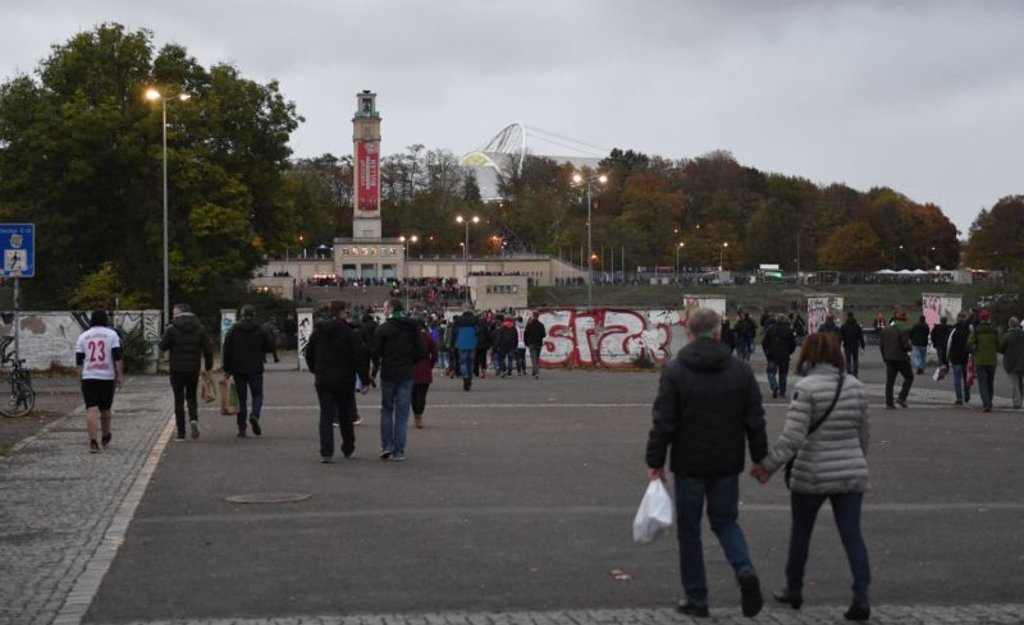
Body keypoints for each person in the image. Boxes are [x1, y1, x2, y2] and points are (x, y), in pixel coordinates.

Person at [645, 307, 767, 619]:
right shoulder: (739, 371)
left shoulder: (675, 370)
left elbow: (663, 421)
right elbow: (755, 419)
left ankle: (697, 597)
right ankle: (744, 570)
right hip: (727, 461)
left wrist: (655, 461)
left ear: (688, 333)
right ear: (718, 333)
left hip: (689, 463)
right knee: (726, 522)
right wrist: (760, 458)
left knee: (689, 530)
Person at [749, 333, 872, 622]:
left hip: (812, 471)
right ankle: (861, 596)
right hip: (850, 472)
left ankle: (794, 587)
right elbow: (864, 435)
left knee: (801, 533)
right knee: (852, 535)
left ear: (807, 355)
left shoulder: (806, 388)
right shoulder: (855, 386)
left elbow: (793, 438)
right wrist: (855, 460)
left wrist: (767, 466)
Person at [305, 300, 370, 463]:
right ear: (343, 312)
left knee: (326, 415)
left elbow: (309, 353)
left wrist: (315, 369)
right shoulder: (351, 333)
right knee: (345, 414)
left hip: (324, 378)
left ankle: (326, 451)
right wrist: (364, 380)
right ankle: (348, 446)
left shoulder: (319, 331)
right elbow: (359, 358)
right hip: (344, 378)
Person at [371, 298, 426, 461]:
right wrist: (410, 362)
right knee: (402, 414)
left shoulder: (383, 328)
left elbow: (375, 352)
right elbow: (422, 351)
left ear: (390, 309)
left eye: (385, 308)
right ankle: (399, 451)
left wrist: (375, 370)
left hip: (388, 373)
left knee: (387, 410)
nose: (384, 311)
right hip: (406, 374)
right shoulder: (413, 327)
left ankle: (386, 446)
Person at [158, 303, 213, 441]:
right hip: (193, 368)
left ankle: (181, 432)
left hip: (176, 369)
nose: (173, 315)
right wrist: (208, 366)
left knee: (178, 399)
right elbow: (208, 350)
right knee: (191, 396)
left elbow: (162, 346)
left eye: (174, 313)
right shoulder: (200, 328)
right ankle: (193, 419)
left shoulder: (171, 328)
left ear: (179, 313)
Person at [74, 310, 124, 453]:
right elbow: (117, 357)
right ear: (105, 320)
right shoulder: (112, 335)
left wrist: (80, 378)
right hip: (107, 377)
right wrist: (120, 376)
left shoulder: (83, 336)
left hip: (89, 376)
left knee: (91, 408)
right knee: (105, 409)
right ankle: (105, 435)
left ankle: (93, 441)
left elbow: (79, 361)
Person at [222, 305, 274, 438]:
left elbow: (227, 350)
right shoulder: (260, 329)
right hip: (255, 367)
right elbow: (270, 346)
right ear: (254, 314)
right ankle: (255, 414)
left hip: (238, 368)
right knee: (258, 395)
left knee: (241, 398)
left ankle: (242, 427)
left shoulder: (234, 330)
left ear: (241, 315)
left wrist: (227, 369)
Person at [879, 310, 913, 409]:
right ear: (901, 320)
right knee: (909, 377)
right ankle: (902, 397)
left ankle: (889, 403)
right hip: (901, 359)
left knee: (890, 381)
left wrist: (884, 357)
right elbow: (905, 346)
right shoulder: (902, 330)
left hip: (889, 358)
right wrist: (910, 347)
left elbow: (881, 346)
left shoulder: (885, 330)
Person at [967, 309, 1000, 412]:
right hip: (992, 359)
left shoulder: (976, 330)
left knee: (982, 382)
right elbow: (998, 345)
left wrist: (973, 350)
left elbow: (969, 343)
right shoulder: (994, 330)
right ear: (989, 318)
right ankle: (990, 400)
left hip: (980, 359)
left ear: (981, 318)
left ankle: (986, 403)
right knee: (990, 381)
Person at [411, 316, 438, 428]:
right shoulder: (428, 336)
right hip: (424, 368)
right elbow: (435, 353)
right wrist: (430, 365)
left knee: (413, 395)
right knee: (422, 395)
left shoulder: (408, 336)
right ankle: (419, 416)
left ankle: (416, 415)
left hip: (410, 369)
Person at [763, 313, 797, 399]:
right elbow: (793, 344)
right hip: (784, 355)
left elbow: (764, 342)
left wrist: (767, 351)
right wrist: (789, 352)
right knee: (783, 374)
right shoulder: (789, 330)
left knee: (770, 372)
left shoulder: (770, 329)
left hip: (772, 354)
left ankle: (773, 384)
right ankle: (782, 392)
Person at [946, 312, 973, 405]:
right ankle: (967, 393)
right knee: (966, 377)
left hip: (956, 357)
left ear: (957, 319)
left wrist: (946, 358)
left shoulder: (953, 331)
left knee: (957, 378)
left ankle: (959, 398)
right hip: (966, 357)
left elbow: (948, 345)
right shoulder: (969, 331)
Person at [998, 316, 1024, 409]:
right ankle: (1021, 399)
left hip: (1010, 362)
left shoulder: (1007, 335)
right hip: (1022, 361)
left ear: (1010, 324)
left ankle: (1017, 402)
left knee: (1014, 383)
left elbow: (1000, 348)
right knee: (1020, 382)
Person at [454, 303, 478, 390]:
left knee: (463, 362)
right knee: (471, 362)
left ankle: (465, 377)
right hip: (472, 343)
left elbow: (455, 331)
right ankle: (469, 378)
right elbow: (477, 331)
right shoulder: (475, 319)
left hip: (462, 343)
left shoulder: (458, 319)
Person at [840, 311, 866, 377]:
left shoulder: (844, 326)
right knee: (855, 360)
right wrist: (863, 346)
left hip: (847, 345)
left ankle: (849, 373)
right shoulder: (857, 326)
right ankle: (855, 373)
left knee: (848, 360)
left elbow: (841, 336)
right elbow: (860, 337)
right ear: (853, 316)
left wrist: (841, 343)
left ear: (847, 316)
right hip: (855, 345)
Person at [524, 310, 547, 379]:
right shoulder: (541, 325)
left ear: (533, 316)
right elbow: (544, 335)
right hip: (539, 343)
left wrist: (526, 342)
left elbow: (526, 334)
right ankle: (534, 371)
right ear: (538, 316)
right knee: (537, 358)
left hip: (531, 343)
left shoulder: (529, 325)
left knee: (533, 358)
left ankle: (536, 372)